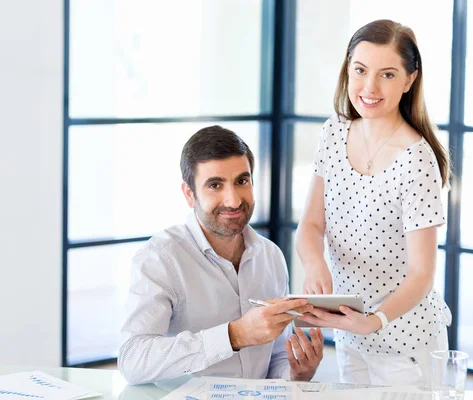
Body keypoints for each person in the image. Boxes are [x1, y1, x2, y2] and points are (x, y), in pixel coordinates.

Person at [295, 19, 452, 387]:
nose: (369, 87)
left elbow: (421, 275)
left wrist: (375, 320)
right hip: (350, 338)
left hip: (406, 345)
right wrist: (315, 263)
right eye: (361, 70)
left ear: (409, 81)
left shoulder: (417, 160)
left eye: (387, 74)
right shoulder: (333, 131)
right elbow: (311, 225)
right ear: (347, 70)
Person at [118, 125, 324, 385]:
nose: (234, 200)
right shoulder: (161, 259)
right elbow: (132, 360)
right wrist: (233, 335)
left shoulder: (271, 256)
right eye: (215, 185)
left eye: (242, 181)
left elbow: (275, 358)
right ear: (189, 194)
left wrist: (296, 372)